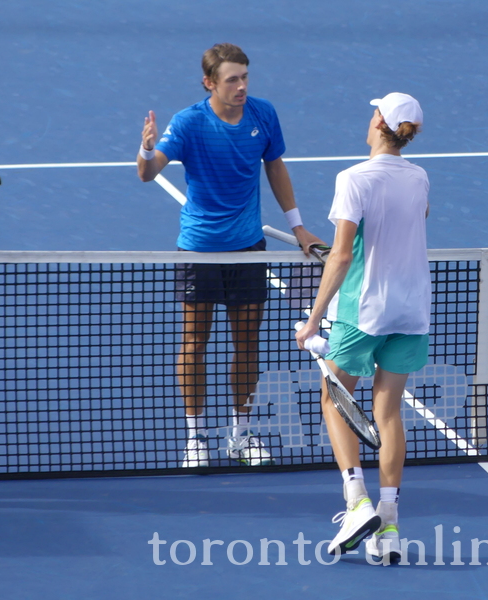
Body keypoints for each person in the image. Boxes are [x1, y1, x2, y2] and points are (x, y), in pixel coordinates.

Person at [137, 43, 323, 468]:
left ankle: (240, 435)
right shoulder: (188, 123)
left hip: (248, 250)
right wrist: (147, 149)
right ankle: (196, 436)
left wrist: (298, 228)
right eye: (231, 80)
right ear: (209, 83)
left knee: (247, 343)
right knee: (193, 342)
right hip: (200, 250)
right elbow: (148, 173)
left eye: (245, 77)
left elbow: (275, 166)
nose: (241, 86)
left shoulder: (263, 114)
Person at [295, 93, 430, 563]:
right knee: (388, 413)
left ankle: (356, 503)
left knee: (333, 399)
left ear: (379, 121)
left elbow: (343, 255)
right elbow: (413, 221)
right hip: (412, 314)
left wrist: (313, 320)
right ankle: (389, 527)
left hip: (364, 312)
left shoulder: (353, 178)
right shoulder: (420, 178)